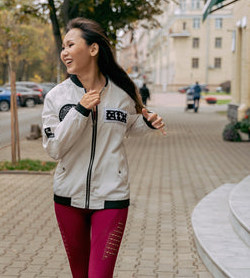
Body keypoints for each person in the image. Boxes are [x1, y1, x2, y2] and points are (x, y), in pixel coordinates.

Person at [42, 18, 165, 278]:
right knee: (79, 274)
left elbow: (131, 126)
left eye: (70, 44)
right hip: (68, 199)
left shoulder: (122, 93)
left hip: (112, 198)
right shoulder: (56, 97)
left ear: (93, 49)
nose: (64, 52)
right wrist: (80, 110)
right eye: (63, 47)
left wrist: (149, 122)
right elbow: (54, 148)